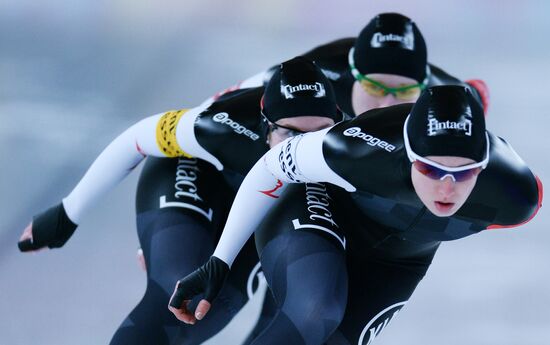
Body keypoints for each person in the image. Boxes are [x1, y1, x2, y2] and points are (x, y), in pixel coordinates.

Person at [168, 85, 543, 345]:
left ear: (483, 167)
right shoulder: (356, 148)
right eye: (429, 169)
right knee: (315, 310)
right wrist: (221, 259)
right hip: (323, 207)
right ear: (409, 155)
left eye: (463, 173)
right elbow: (271, 167)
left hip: (399, 260)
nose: (446, 189)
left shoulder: (517, 197)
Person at [17, 57, 341, 344]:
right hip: (195, 172)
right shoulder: (221, 126)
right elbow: (137, 140)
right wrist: (67, 212)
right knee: (173, 303)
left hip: (265, 207)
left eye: (319, 133)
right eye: (290, 135)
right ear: (263, 125)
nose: (302, 149)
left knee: (206, 324)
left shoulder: (346, 149)